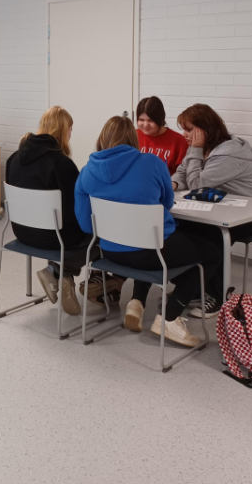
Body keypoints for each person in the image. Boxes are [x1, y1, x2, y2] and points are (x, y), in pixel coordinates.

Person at [74, 116, 221, 347]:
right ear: (133, 138)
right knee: (211, 253)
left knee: (153, 245)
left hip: (110, 253)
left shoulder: (86, 171)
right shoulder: (152, 163)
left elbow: (85, 225)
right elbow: (167, 202)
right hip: (152, 252)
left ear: (102, 138)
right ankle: (170, 317)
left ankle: (137, 302)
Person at [171, 103, 252, 317]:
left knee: (212, 234)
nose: (184, 134)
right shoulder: (199, 147)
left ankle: (218, 295)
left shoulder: (230, 153)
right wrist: (174, 183)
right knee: (181, 226)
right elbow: (183, 171)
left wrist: (195, 151)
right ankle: (196, 287)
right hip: (221, 210)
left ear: (204, 129)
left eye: (189, 129)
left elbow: (197, 183)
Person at [5, 106, 101, 316]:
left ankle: (56, 272)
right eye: (70, 129)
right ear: (64, 130)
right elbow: (74, 213)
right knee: (100, 237)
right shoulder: (62, 163)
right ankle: (60, 272)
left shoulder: (13, 158)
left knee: (59, 227)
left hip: (22, 232)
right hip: (53, 238)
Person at [135, 96, 188, 175]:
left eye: (150, 120)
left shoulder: (179, 141)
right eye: (141, 120)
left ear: (160, 119)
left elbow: (183, 174)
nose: (145, 124)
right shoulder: (133, 136)